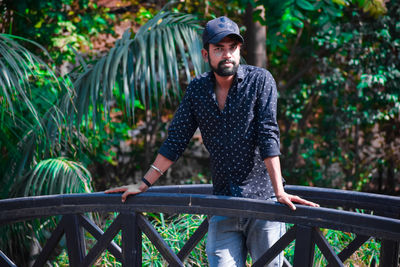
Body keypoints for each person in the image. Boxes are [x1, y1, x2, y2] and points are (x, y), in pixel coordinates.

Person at [106, 16, 319, 266]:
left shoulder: (260, 81)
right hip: (223, 202)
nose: (227, 54)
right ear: (206, 55)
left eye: (232, 48)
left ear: (240, 50)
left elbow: (268, 134)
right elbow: (176, 140)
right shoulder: (197, 90)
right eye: (219, 48)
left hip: (263, 203)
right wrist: (143, 184)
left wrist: (279, 192)